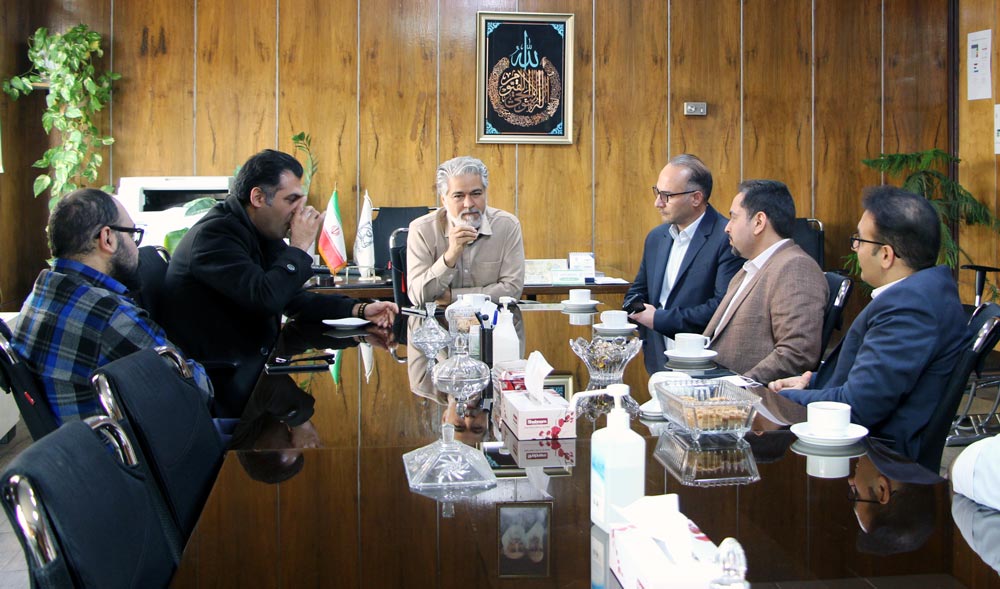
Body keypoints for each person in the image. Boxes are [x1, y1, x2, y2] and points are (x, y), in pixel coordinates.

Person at [161, 149, 397, 416]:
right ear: (258, 198)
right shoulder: (214, 237)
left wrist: (359, 309)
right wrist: (298, 247)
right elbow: (266, 299)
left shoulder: (258, 231)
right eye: (291, 200)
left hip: (252, 369)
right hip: (221, 386)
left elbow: (292, 298)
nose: (300, 211)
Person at [769, 186, 969, 462]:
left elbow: (857, 406)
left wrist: (783, 398)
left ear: (886, 254)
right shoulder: (921, 293)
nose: (855, 248)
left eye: (859, 240)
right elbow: (873, 381)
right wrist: (811, 382)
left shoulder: (910, 310)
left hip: (875, 459)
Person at [12, 188, 211, 424]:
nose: (136, 248)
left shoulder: (39, 294)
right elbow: (198, 390)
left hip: (75, 440)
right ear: (107, 238)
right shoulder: (106, 314)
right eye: (133, 235)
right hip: (124, 443)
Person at [626, 154, 743, 374]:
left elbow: (722, 309)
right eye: (657, 192)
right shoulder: (656, 237)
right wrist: (634, 310)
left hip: (702, 364)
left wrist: (658, 319)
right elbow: (638, 291)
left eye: (667, 195)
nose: (658, 202)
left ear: (696, 198)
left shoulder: (727, 238)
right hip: (658, 360)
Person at [703, 179, 828, 383]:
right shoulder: (749, 268)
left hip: (746, 396)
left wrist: (738, 386)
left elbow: (796, 353)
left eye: (733, 218)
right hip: (712, 387)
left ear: (759, 222)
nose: (727, 227)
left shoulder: (795, 267)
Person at [407, 156, 525, 306]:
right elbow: (418, 297)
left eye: (476, 194)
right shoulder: (421, 230)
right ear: (444, 200)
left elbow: (512, 291)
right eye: (458, 196)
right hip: (439, 319)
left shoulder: (507, 225)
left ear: (485, 193)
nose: (468, 204)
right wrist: (450, 255)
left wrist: (453, 297)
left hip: (493, 319)